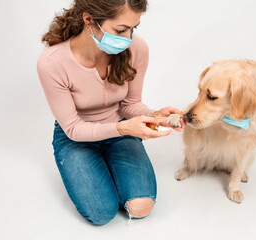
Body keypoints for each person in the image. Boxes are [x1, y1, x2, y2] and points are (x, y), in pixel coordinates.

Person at [37, 0, 184, 225]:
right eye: (120, 30)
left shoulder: (137, 49)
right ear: (89, 20)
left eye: (133, 29)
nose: (127, 39)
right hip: (76, 139)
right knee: (101, 213)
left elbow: (129, 104)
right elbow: (74, 128)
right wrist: (123, 128)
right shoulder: (52, 62)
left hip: (120, 131)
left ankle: (109, 162)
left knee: (140, 207)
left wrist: (155, 115)